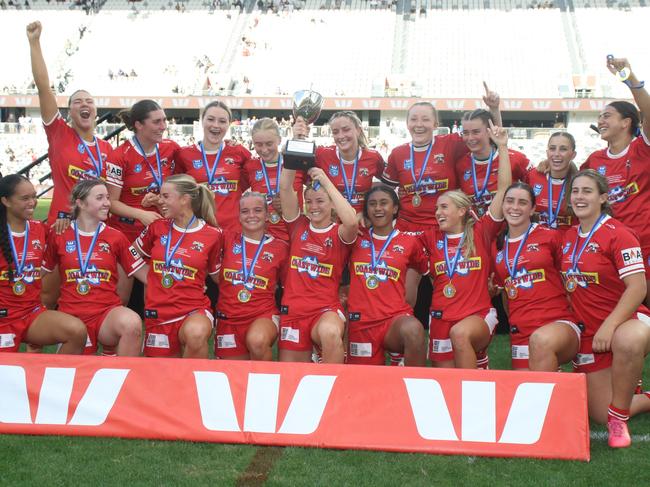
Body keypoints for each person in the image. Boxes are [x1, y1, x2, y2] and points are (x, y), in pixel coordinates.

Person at [560, 169, 650, 448]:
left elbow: (638, 288)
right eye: (575, 191)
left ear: (603, 197)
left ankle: (619, 420)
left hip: (626, 321)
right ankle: (643, 396)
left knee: (628, 339)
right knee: (598, 412)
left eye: (587, 191)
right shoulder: (568, 236)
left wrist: (610, 326)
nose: (579, 197)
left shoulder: (619, 233)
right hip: (590, 334)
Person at [420, 121, 511, 368]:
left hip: (476, 316)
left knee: (461, 335)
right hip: (440, 319)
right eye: (437, 208)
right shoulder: (430, 238)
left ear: (462, 211)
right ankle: (478, 360)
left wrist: (502, 147)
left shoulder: (481, 231)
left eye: (444, 207)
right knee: (446, 382)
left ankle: (475, 389)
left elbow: (503, 189)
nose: (437, 212)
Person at [27, 21, 113, 232]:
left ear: (96, 113)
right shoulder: (59, 133)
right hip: (62, 225)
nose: (84, 104)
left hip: (97, 227)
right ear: (69, 114)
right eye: (77, 101)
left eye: (89, 101)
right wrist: (34, 42)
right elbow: (44, 88)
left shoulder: (107, 149)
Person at [42, 179, 143, 356]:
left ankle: (124, 380)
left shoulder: (116, 237)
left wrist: (185, 285)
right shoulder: (58, 234)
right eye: (99, 198)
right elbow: (41, 271)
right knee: (69, 376)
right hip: (70, 315)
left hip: (106, 314)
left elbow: (142, 272)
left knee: (132, 323)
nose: (107, 203)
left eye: (107, 197)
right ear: (80, 203)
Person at [131, 174, 223, 358]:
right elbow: (129, 254)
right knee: (162, 377)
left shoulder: (213, 235)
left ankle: (195, 386)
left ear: (184, 199)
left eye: (166, 196)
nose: (160, 200)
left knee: (195, 334)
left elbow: (218, 276)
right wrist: (149, 277)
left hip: (193, 310)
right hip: (159, 313)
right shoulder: (157, 227)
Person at [582, 57, 650, 306]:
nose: (600, 121)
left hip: (645, 246)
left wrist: (629, 77)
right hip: (609, 247)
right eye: (599, 116)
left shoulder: (642, 148)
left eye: (607, 116)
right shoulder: (594, 159)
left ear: (626, 122)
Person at [492, 182, 579, 370]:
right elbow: (507, 293)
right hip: (522, 332)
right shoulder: (496, 246)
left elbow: (569, 280)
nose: (515, 207)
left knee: (541, 343)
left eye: (522, 202)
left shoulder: (551, 237)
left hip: (558, 323)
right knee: (529, 394)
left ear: (532, 209)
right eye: (510, 201)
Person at [278, 165, 358, 363]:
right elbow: (286, 188)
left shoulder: (338, 233)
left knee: (330, 333)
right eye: (309, 202)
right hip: (294, 312)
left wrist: (326, 181)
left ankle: (335, 388)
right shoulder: (298, 225)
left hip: (324, 311)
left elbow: (352, 222)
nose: (313, 207)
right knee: (291, 377)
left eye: (320, 201)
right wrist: (293, 155)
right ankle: (315, 355)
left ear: (332, 204)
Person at [0, 174, 86, 354]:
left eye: (34, 196)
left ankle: (54, 380)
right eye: (25, 198)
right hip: (3, 319)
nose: (32, 202)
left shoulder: (40, 229)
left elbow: (68, 241)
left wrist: (64, 223)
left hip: (32, 313)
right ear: (6, 201)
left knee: (76, 331)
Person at [346, 185, 429, 366]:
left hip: (393, 320)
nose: (377, 208)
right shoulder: (355, 238)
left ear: (395, 208)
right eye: (372, 204)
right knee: (365, 385)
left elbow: (421, 269)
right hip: (362, 322)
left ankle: (415, 387)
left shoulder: (409, 242)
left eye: (384, 203)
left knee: (414, 329)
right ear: (366, 210)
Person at [214, 192, 288, 360]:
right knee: (233, 376)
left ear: (267, 215)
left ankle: (266, 384)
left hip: (262, 315)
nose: (251, 215)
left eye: (257, 210)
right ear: (238, 216)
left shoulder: (280, 248)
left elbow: (288, 287)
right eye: (245, 211)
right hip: (229, 318)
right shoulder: (225, 239)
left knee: (257, 341)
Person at [106, 99, 180, 243]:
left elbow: (197, 156)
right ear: (138, 125)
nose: (163, 126)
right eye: (157, 121)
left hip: (163, 231)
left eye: (164, 120)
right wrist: (140, 214)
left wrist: (226, 144)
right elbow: (111, 202)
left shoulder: (171, 148)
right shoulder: (119, 156)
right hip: (127, 233)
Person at [175, 101, 250, 231]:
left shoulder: (239, 151)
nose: (216, 125)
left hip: (233, 229)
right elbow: (177, 190)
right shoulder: (184, 154)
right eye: (210, 119)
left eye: (222, 121)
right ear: (202, 121)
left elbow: (257, 175)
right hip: (198, 229)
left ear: (228, 124)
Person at [293, 111, 384, 215]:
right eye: (335, 132)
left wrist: (366, 213)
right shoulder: (322, 154)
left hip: (362, 222)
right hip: (332, 223)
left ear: (358, 130)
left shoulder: (373, 157)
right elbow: (299, 174)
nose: (341, 136)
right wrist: (298, 138)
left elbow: (387, 185)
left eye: (346, 130)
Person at [456, 108, 530, 217]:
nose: (470, 138)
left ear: (489, 131)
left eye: (476, 132)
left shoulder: (515, 159)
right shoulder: (460, 165)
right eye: (466, 133)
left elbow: (538, 184)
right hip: (476, 230)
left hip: (508, 230)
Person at [243, 118, 303, 241]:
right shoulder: (250, 166)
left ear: (279, 140)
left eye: (269, 144)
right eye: (258, 144)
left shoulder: (295, 164)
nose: (264, 150)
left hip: (295, 236)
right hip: (264, 239)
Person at [526, 132, 577, 233]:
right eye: (552, 148)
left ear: (573, 155)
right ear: (547, 152)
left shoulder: (578, 183)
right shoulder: (533, 176)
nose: (556, 154)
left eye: (563, 149)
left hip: (567, 244)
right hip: (536, 242)